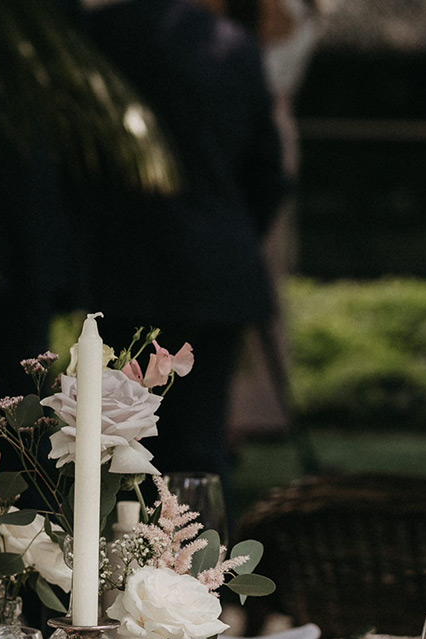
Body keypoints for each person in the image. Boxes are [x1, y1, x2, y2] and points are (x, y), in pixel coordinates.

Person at [72, 0, 285, 479]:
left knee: (118, 445)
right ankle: (204, 549)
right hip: (215, 267)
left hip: (125, 266)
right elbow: (267, 171)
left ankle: (124, 553)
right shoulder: (234, 46)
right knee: (201, 448)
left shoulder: (96, 35)